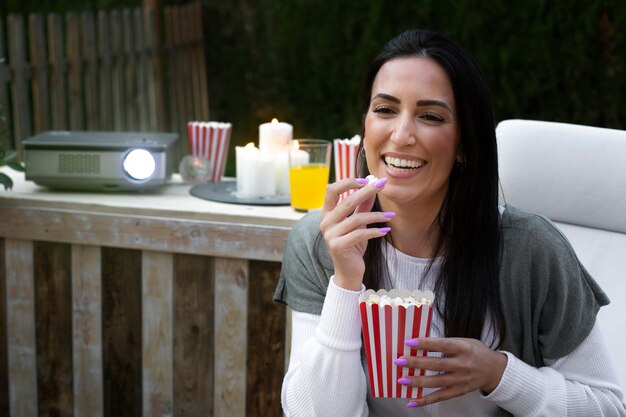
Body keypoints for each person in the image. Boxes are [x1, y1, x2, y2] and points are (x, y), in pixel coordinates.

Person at [273, 28, 626, 416]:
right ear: (365, 124)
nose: (402, 134)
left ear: (464, 145)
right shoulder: (320, 242)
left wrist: (498, 374)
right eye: (385, 110)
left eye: (430, 116)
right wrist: (345, 283)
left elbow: (606, 407)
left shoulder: (531, 250)